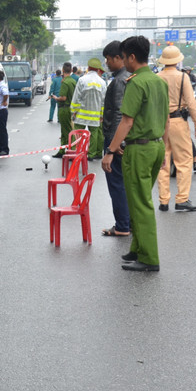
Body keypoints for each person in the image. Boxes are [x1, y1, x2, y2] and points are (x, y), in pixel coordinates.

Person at [102, 36, 170, 272]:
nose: (123, 61)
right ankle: (138, 248)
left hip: (139, 149)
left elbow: (126, 121)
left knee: (140, 205)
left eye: (123, 57)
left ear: (131, 57)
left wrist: (110, 151)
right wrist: (164, 150)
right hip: (155, 146)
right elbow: (166, 119)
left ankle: (149, 258)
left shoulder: (136, 82)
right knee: (137, 200)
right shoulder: (158, 81)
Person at [156, 46, 196, 213]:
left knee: (163, 161)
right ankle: (182, 199)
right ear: (177, 60)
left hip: (160, 122)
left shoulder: (157, 77)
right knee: (183, 161)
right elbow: (191, 102)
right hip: (177, 122)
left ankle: (163, 200)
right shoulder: (183, 77)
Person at [100, 41, 131, 238]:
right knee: (126, 185)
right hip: (127, 141)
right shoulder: (129, 77)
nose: (107, 63)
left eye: (109, 59)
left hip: (116, 142)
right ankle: (128, 222)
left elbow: (120, 114)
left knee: (117, 184)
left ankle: (122, 226)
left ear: (119, 58)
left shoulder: (120, 81)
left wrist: (113, 146)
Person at [70, 58, 106, 160]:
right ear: (98, 69)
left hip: (81, 114)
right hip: (95, 115)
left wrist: (73, 111)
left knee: (78, 133)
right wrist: (101, 115)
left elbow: (76, 97)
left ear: (88, 68)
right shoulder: (102, 82)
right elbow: (103, 101)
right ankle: (91, 154)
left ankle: (75, 152)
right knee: (94, 134)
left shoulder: (82, 80)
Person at [51, 62, 76, 158]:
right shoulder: (73, 81)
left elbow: (63, 98)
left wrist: (56, 98)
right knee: (65, 130)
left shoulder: (65, 82)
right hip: (70, 108)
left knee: (67, 132)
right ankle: (62, 150)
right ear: (71, 70)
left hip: (64, 109)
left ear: (63, 70)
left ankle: (71, 151)